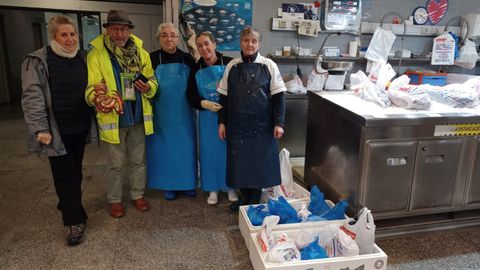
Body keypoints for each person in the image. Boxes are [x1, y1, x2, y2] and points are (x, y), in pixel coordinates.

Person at [21, 15, 97, 246]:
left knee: (76, 171)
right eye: (63, 35)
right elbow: (32, 96)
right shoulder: (38, 60)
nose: (70, 39)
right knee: (65, 175)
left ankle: (67, 202)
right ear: (53, 36)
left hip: (80, 126)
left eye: (73, 34)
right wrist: (40, 128)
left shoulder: (82, 58)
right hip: (55, 130)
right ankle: (74, 221)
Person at [85, 10, 158, 218]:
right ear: (107, 30)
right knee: (115, 163)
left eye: (123, 29)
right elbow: (92, 86)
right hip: (114, 117)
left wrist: (149, 87)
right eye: (115, 29)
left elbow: (152, 79)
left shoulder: (141, 53)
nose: (119, 33)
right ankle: (115, 200)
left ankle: (137, 194)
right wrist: (95, 96)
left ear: (129, 31)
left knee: (138, 160)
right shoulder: (96, 54)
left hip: (137, 115)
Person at [217, 26, 286, 211]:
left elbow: (279, 97)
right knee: (239, 165)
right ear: (240, 42)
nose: (250, 44)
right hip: (237, 126)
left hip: (262, 127)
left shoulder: (268, 65)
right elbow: (223, 98)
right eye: (246, 40)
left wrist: (279, 123)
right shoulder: (232, 66)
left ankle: (253, 201)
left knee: (258, 166)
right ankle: (244, 199)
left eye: (254, 40)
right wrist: (222, 122)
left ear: (259, 44)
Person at [187, 32, 238, 205]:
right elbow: (191, 95)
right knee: (208, 154)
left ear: (214, 44)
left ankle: (231, 187)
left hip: (229, 116)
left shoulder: (230, 63)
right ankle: (212, 189)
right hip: (207, 119)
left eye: (207, 44)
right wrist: (204, 103)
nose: (204, 48)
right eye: (199, 45)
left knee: (228, 153)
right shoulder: (196, 69)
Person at [147, 23, 197, 201]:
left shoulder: (187, 59)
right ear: (158, 38)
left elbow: (195, 84)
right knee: (165, 149)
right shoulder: (150, 59)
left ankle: (188, 183)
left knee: (186, 147)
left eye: (173, 35)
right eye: (164, 35)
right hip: (161, 113)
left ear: (178, 39)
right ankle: (169, 185)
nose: (169, 39)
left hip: (184, 113)